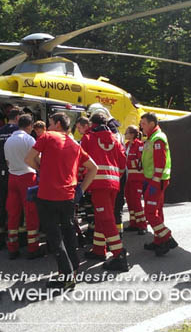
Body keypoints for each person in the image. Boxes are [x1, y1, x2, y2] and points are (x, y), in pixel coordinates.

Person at [25, 112, 97, 289]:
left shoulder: (48, 136)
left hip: (48, 195)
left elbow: (28, 159)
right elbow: (93, 168)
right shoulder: (75, 144)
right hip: (69, 196)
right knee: (68, 231)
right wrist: (81, 189)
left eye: (49, 124)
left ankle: (66, 276)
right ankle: (72, 269)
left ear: (57, 124)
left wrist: (42, 169)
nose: (47, 127)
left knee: (54, 236)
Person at [80, 113, 128, 271]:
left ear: (92, 124)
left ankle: (119, 254)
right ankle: (99, 250)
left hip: (98, 184)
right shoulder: (115, 139)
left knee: (106, 218)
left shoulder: (88, 138)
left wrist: (81, 181)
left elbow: (82, 162)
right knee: (102, 216)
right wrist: (114, 177)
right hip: (113, 183)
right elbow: (123, 163)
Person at [4, 114, 43, 259]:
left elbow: (7, 162)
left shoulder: (9, 140)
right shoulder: (29, 139)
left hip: (12, 177)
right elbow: (36, 159)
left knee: (13, 213)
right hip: (28, 177)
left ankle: (12, 248)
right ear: (30, 126)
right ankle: (33, 248)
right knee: (31, 213)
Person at [140, 112, 178, 256]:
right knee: (157, 211)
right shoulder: (152, 138)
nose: (141, 126)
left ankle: (167, 237)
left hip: (156, 181)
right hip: (154, 179)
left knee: (149, 213)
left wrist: (155, 181)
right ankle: (159, 241)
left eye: (143, 123)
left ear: (151, 124)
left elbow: (160, 162)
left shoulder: (157, 139)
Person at [0, 107, 24, 250]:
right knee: (17, 207)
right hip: (14, 173)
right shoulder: (18, 134)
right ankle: (21, 240)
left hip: (0, 173)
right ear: (17, 118)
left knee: (0, 207)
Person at [123, 125, 147, 235]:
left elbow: (139, 163)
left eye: (126, 132)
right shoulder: (127, 145)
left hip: (136, 178)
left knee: (136, 202)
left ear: (132, 134)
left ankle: (142, 225)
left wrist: (127, 163)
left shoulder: (139, 145)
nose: (125, 134)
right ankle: (134, 223)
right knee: (130, 202)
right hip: (128, 179)